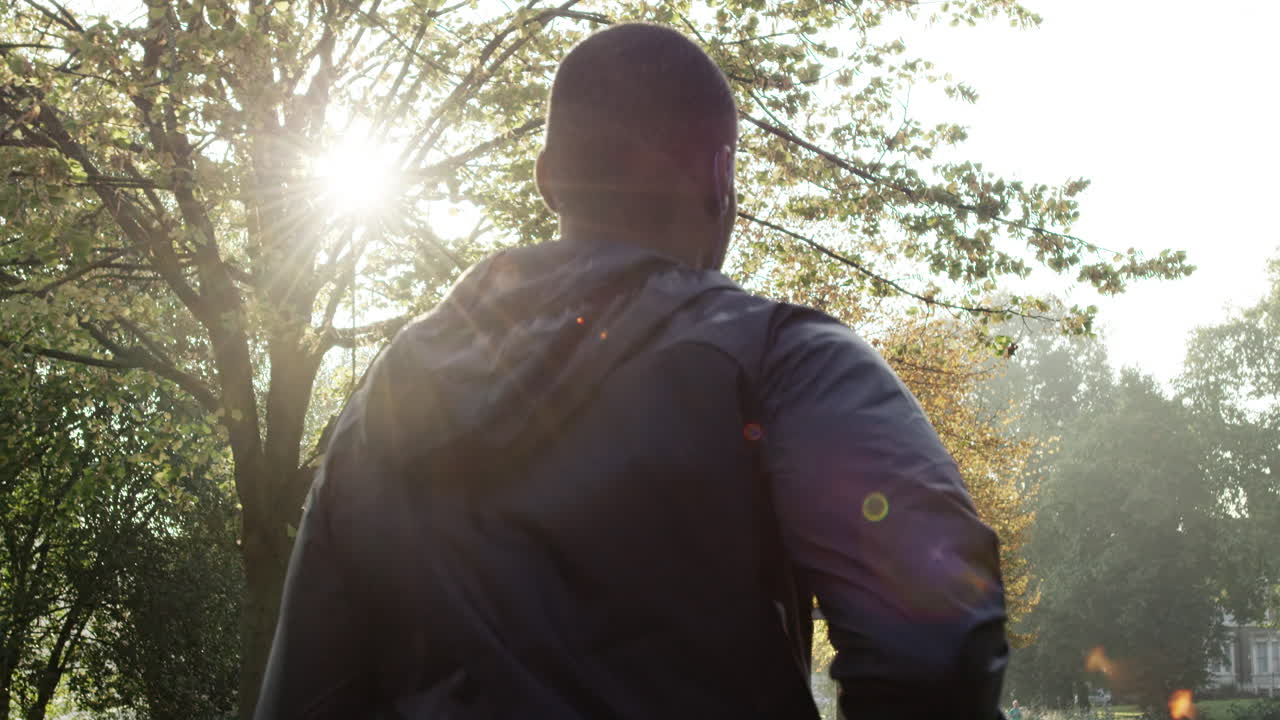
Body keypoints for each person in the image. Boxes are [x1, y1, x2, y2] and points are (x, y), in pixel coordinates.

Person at [254, 22, 1008, 720]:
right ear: (722, 176)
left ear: (549, 179)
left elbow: (306, 696)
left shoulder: (386, 398)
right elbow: (938, 653)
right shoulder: (784, 359)